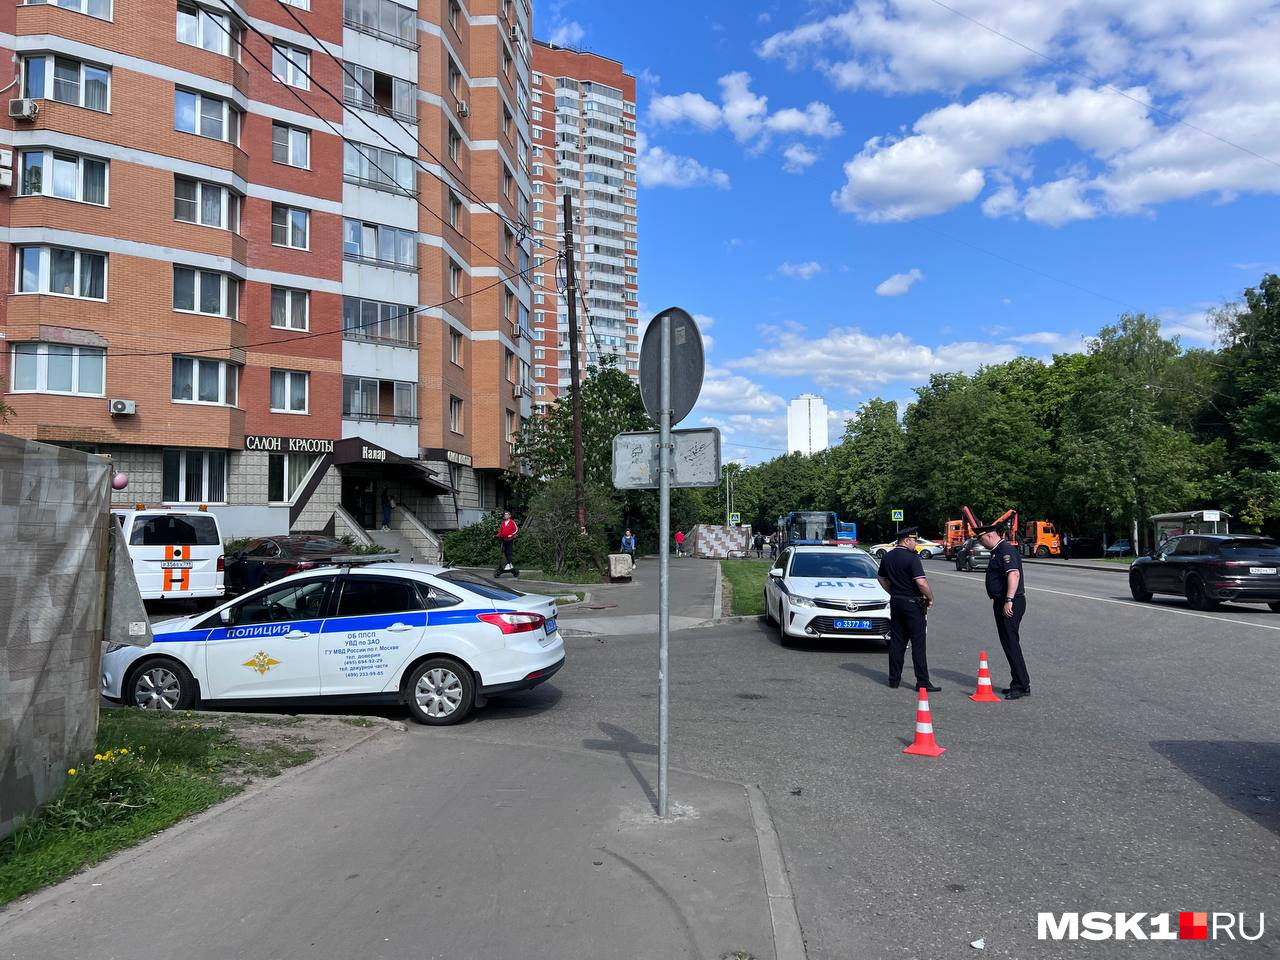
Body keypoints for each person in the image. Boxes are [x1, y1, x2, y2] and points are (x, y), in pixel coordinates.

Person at [875, 527, 938, 691]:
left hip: (896, 601)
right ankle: (922, 682)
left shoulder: (887, 557)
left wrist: (892, 591)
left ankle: (894, 679)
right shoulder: (912, 558)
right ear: (906, 540)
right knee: (918, 643)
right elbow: (921, 582)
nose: (916, 543)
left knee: (897, 642)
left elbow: (880, 578)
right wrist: (930, 598)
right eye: (914, 540)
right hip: (913, 603)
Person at [976, 524, 1029, 700]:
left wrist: (1009, 600)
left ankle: (1020, 685)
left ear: (990, 536)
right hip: (1004, 601)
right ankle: (1020, 681)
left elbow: (1014, 575)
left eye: (982, 540)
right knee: (1009, 642)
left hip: (1010, 602)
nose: (981, 544)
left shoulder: (1005, 551)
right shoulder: (998, 551)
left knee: (1011, 642)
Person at [496, 510, 519, 576]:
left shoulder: (512, 522)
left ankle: (509, 564)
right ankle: (509, 563)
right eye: (505, 515)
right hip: (503, 539)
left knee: (509, 551)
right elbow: (500, 531)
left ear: (509, 516)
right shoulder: (503, 523)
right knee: (504, 551)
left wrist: (511, 535)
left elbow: (516, 529)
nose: (505, 516)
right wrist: (497, 535)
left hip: (510, 539)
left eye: (507, 515)